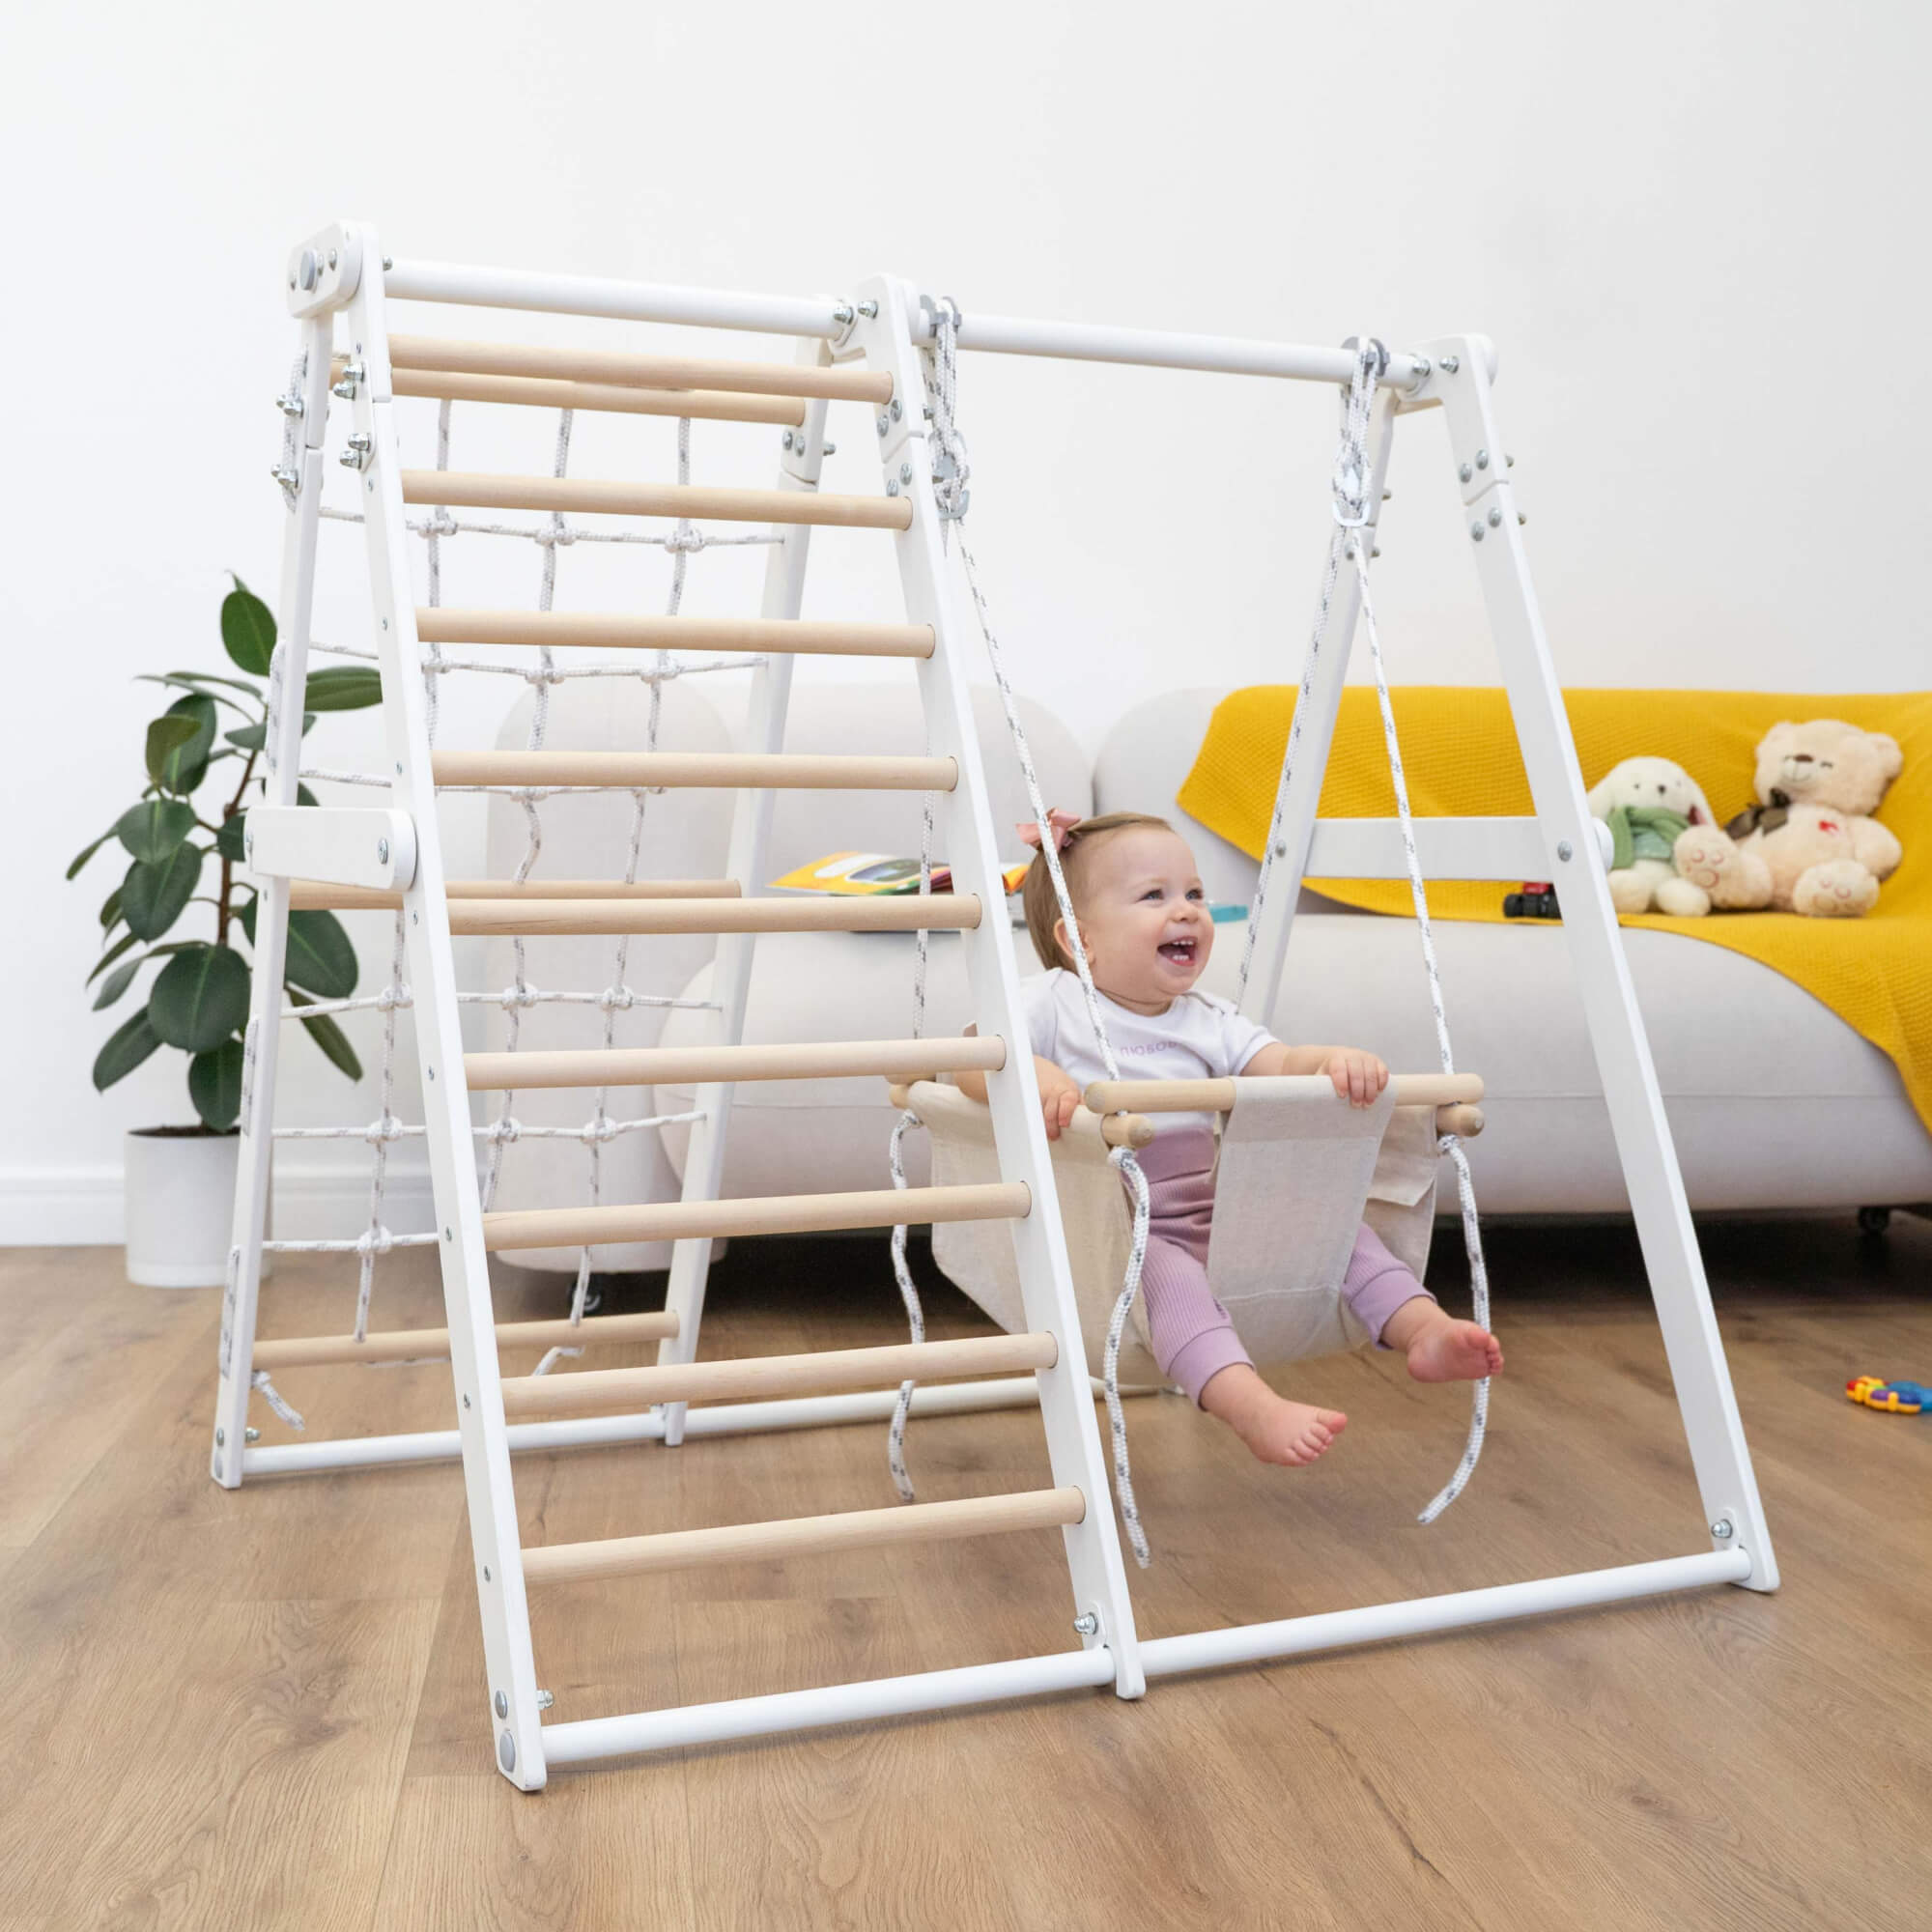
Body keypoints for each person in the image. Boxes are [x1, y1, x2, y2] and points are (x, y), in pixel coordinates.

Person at [955, 809, 1502, 1468]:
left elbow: (1282, 1065)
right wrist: (1033, 1074)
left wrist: (1332, 1062)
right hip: (1117, 1229)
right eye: (1154, 896)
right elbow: (970, 1057)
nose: (1186, 910)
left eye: (1194, 893)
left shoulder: (1209, 1019)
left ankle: (1423, 1328)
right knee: (1169, 1283)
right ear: (1078, 939)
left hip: (1221, 1209)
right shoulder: (1054, 1001)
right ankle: (1252, 1407)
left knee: (1329, 1229)